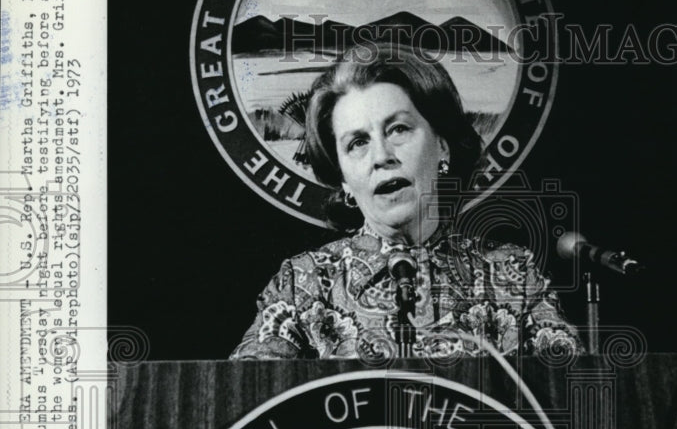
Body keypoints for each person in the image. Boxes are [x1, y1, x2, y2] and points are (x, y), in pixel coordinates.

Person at [232, 45, 580, 361]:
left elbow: (572, 402)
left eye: (398, 129)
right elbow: (244, 406)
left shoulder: (515, 276)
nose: (381, 156)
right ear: (343, 179)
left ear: (442, 145)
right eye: (357, 143)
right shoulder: (304, 283)